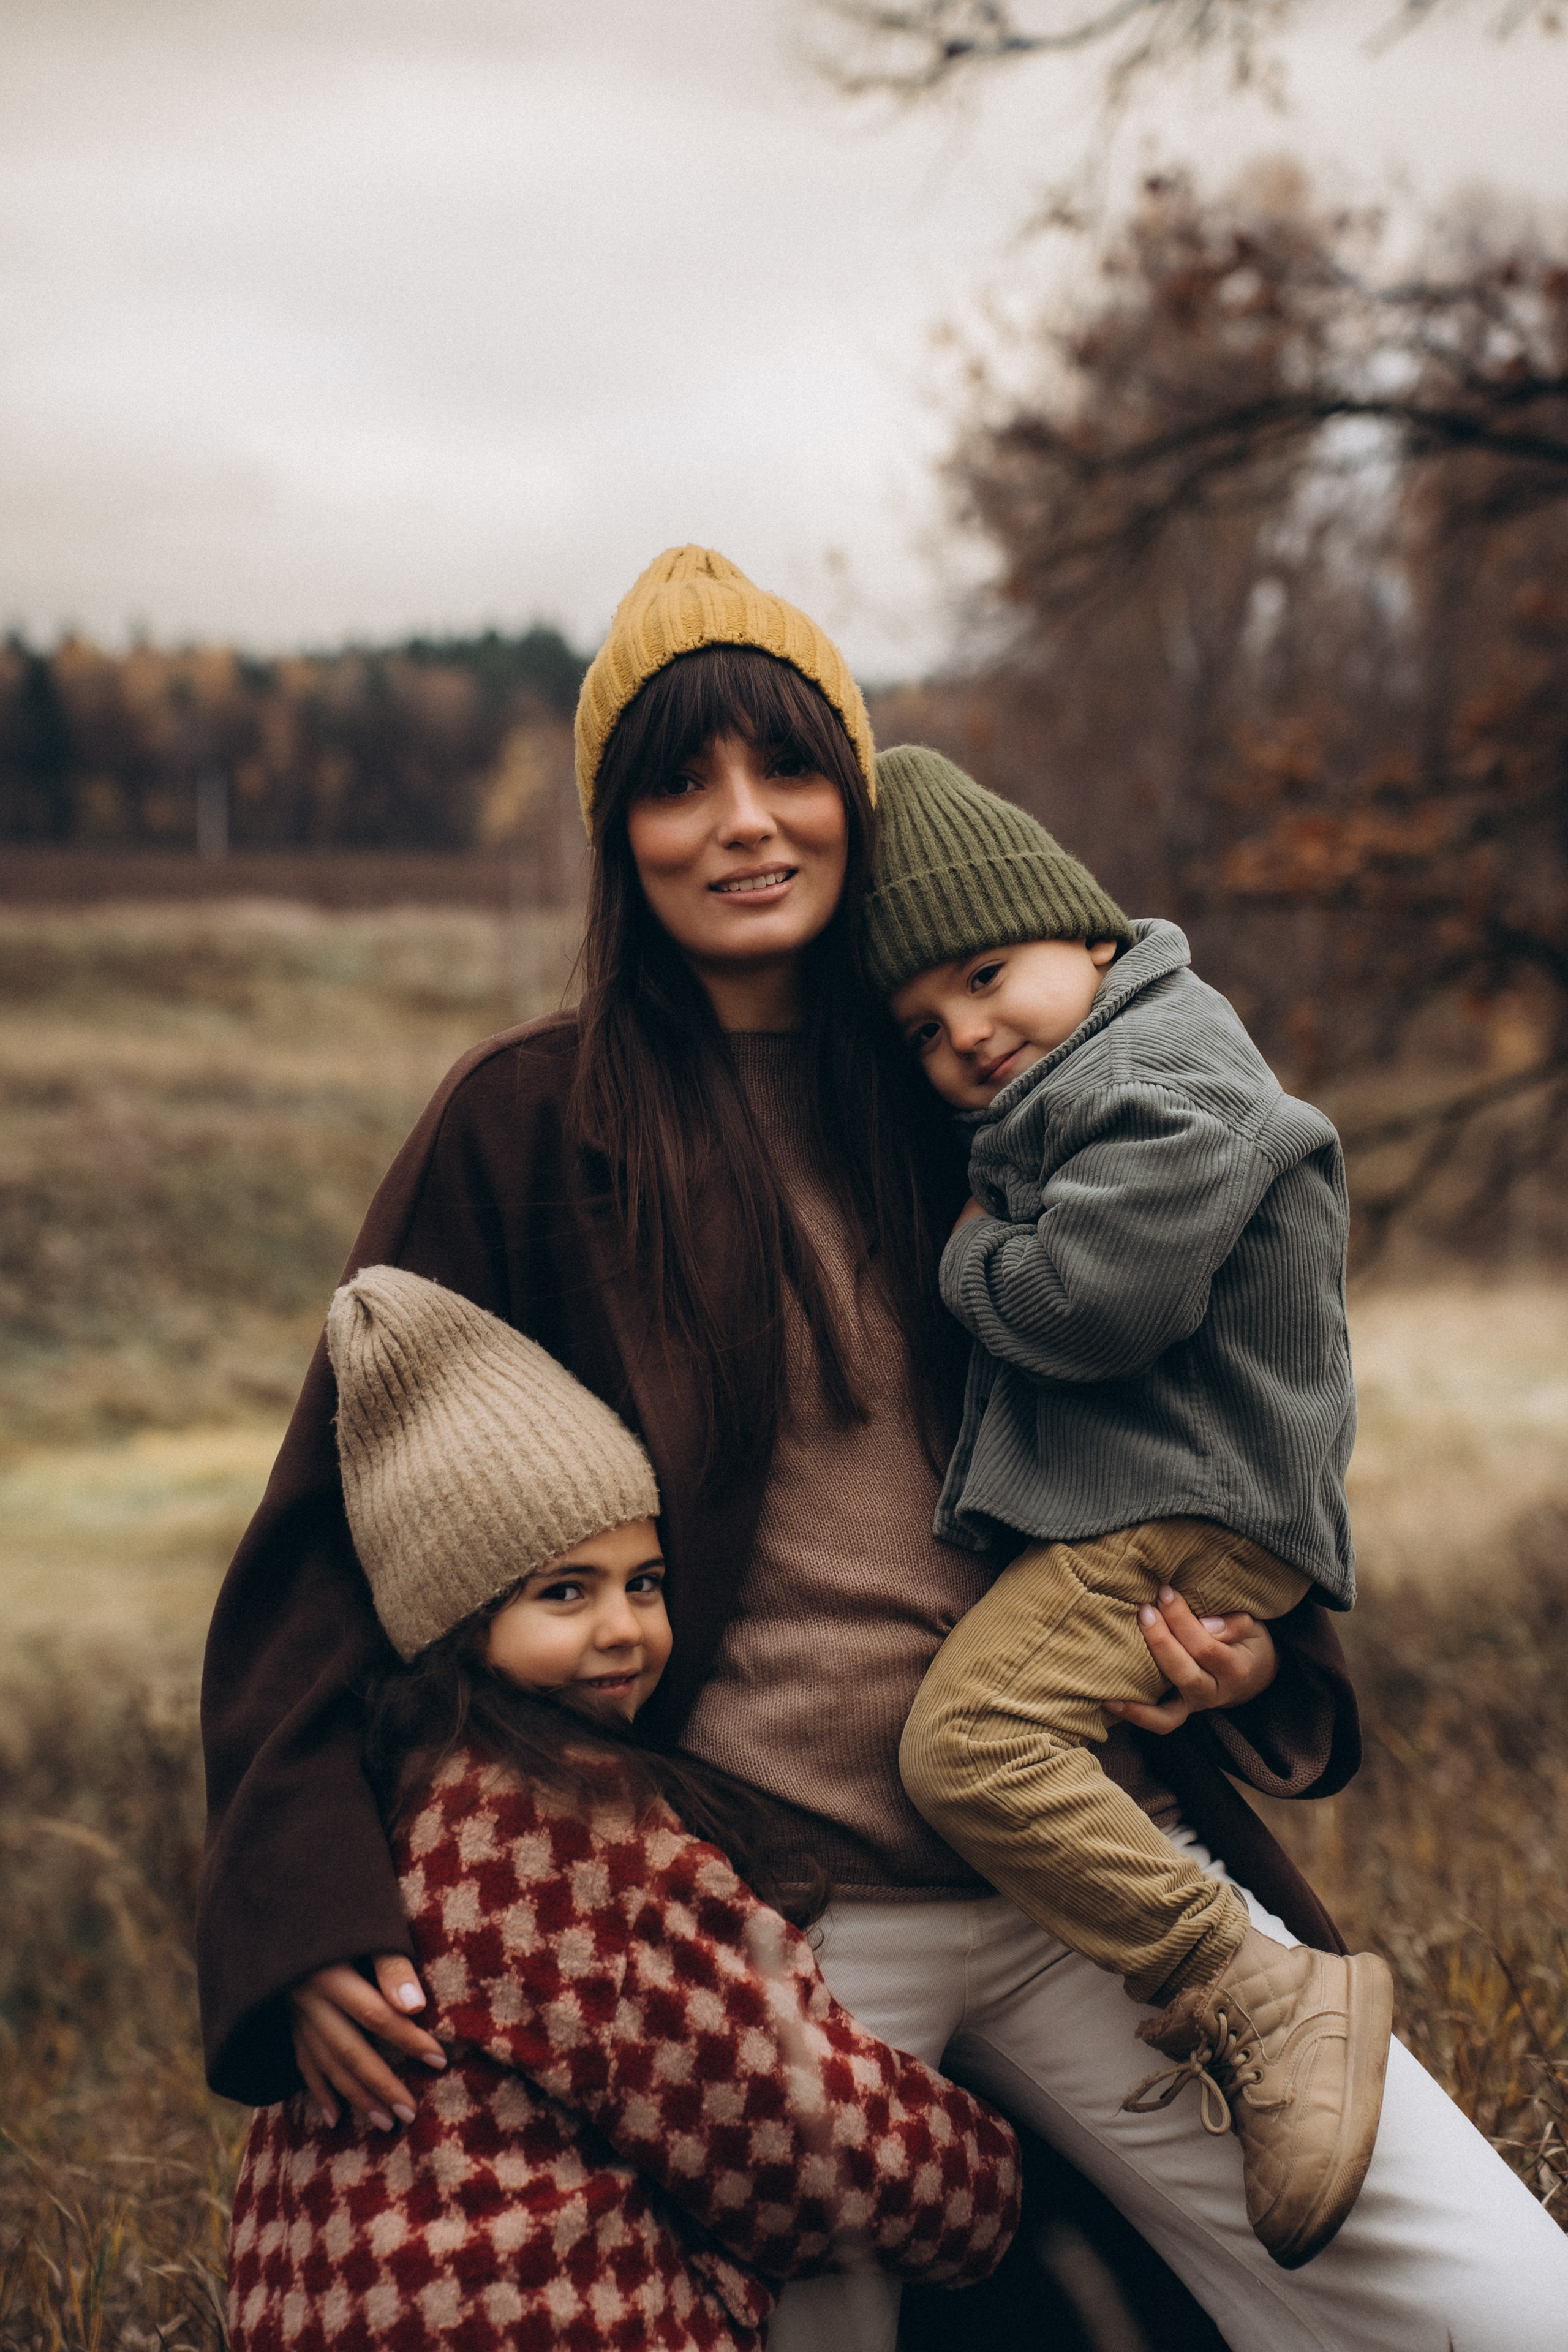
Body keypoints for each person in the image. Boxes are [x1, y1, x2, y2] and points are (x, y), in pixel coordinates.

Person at [198, 545, 1568, 2352]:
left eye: (788, 770)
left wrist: (1248, 1651)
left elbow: (1225, 1385)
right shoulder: (527, 1126)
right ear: (616, 839)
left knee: (1492, 2299)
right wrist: (303, 1906)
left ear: (857, 795)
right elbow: (328, 1535)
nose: (744, 824)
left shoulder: (976, 1083)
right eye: (678, 784)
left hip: (1090, 1859)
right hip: (771, 1929)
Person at [227, 1263, 1020, 2352]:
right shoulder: (557, 1830)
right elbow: (797, 2136)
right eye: (565, 1591)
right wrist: (993, 2173)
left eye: (644, 1582)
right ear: (450, 1618)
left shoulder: (389, 1805)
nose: (626, 1629)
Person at [868, 745, 1392, 2271]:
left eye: (985, 974)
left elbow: (1095, 1302)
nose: (966, 1035)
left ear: (1083, 937)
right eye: (923, 1027)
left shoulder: (1164, 1080)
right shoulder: (1102, 1071)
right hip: (1172, 1506)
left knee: (966, 1742)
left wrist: (966, 1258)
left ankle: (1252, 1984)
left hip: (1182, 1510)